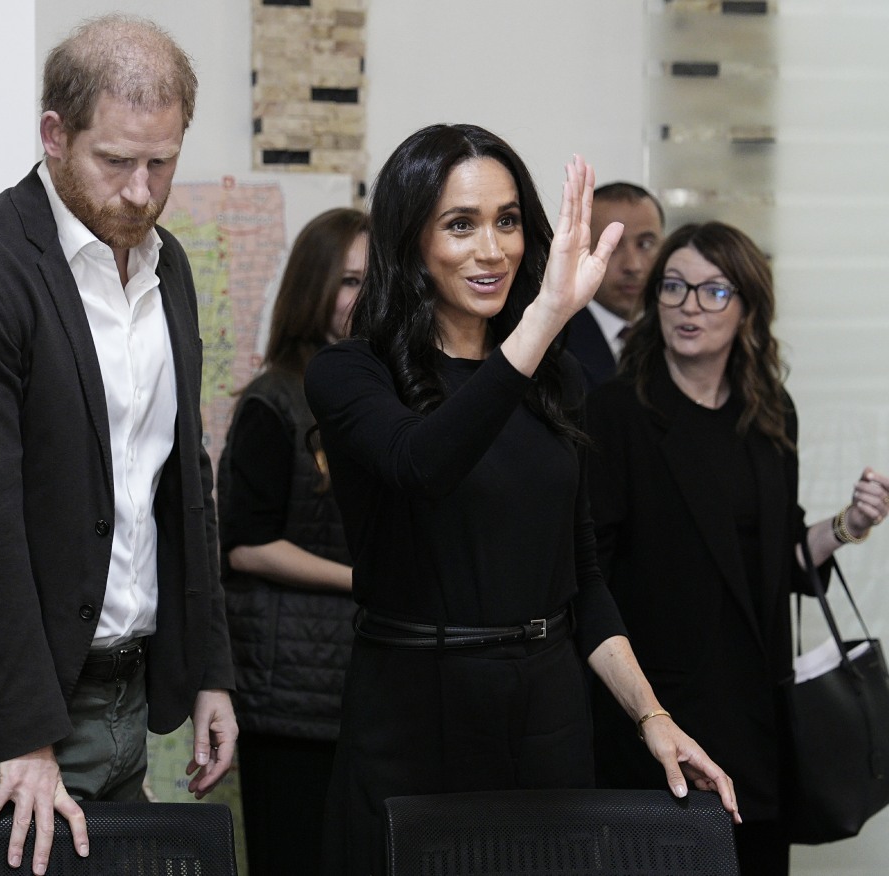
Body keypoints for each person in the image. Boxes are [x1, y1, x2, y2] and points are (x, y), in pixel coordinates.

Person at [303, 124, 738, 876]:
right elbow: (423, 463)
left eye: (507, 221)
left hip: (548, 709)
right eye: (460, 224)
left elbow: (583, 577)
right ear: (410, 241)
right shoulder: (353, 373)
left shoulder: (556, 379)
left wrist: (652, 715)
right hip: (416, 709)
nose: (493, 250)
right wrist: (545, 318)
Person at [0, 15, 236, 876]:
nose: (140, 192)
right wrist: (27, 738)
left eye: (162, 164)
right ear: (53, 134)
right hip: (10, 715)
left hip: (127, 691)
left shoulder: (169, 269)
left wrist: (210, 670)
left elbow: (183, 481)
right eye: (115, 162)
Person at [585, 220, 889, 876]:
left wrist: (851, 524)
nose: (689, 306)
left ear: (748, 307)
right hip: (662, 713)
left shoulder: (769, 411)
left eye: (713, 290)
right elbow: (588, 576)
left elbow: (779, 559)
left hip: (757, 709)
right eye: (674, 287)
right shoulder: (617, 412)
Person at [218, 207, 367, 876]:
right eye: (349, 281)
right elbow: (246, 545)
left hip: (365, 686)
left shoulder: (386, 393)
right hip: (288, 697)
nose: (364, 298)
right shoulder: (274, 399)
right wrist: (362, 579)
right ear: (313, 288)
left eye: (377, 281)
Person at [564, 182, 664, 390]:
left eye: (645, 245)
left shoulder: (676, 331)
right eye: (612, 246)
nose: (633, 266)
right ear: (579, 249)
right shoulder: (556, 343)